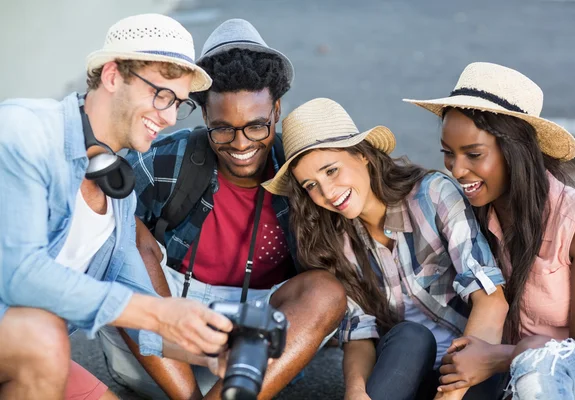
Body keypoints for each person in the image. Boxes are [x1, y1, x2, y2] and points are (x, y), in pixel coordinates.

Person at [98, 19, 347, 400]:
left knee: (327, 291)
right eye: (223, 129)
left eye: (256, 126)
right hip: (162, 347)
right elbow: (103, 235)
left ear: (277, 111)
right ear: (204, 118)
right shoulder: (168, 160)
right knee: (120, 234)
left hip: (260, 355)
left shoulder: (302, 170)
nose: (241, 143)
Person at [0, 13, 235, 400]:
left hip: (31, 349)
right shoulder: (25, 131)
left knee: (47, 345)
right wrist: (160, 313)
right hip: (32, 343)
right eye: (162, 95)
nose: (171, 117)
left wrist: (211, 346)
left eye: (179, 103)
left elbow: (141, 306)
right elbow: (19, 275)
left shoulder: (118, 193)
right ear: (112, 76)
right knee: (44, 340)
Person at [261, 97, 508, 400]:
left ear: (362, 155)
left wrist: (450, 396)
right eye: (311, 185)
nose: (327, 192)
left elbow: (492, 302)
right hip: (404, 371)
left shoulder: (433, 196)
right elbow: (359, 335)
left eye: (331, 171)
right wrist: (355, 391)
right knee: (410, 335)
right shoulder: (333, 241)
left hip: (467, 371)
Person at [405, 62, 575, 399]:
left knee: (540, 361)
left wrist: (500, 358)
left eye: (474, 154)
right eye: (448, 154)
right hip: (496, 381)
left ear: (517, 150)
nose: (457, 170)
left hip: (561, 386)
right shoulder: (469, 213)